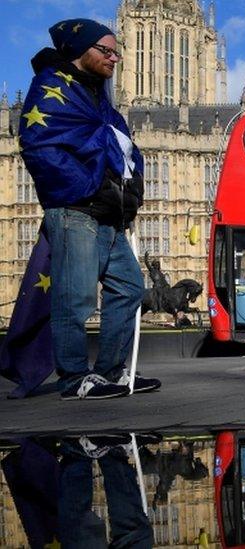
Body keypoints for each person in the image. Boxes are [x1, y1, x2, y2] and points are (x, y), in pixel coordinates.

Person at [19, 19, 161, 399]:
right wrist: (84, 188)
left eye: (118, 52)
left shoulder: (100, 98)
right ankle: (74, 378)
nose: (115, 58)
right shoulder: (53, 88)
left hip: (110, 215)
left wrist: (129, 194)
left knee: (130, 288)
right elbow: (39, 146)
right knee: (75, 297)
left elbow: (123, 149)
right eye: (107, 50)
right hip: (77, 210)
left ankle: (111, 372)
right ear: (82, 49)